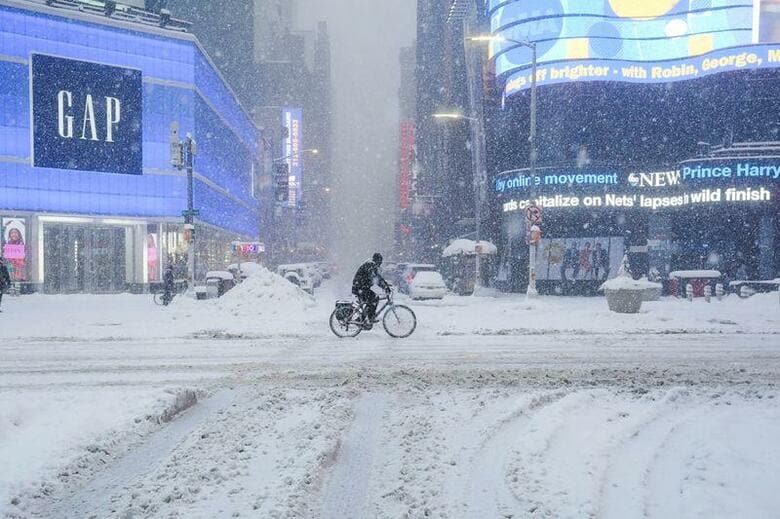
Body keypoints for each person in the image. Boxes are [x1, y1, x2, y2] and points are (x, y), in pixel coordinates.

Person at [352, 253, 390, 327]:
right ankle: (370, 318)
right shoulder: (370, 265)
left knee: (372, 300)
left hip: (361, 287)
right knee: (374, 298)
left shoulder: (370, 265)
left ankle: (363, 318)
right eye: (380, 261)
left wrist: (385, 285)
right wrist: (385, 287)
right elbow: (375, 278)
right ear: (377, 260)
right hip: (360, 288)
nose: (380, 263)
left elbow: (377, 277)